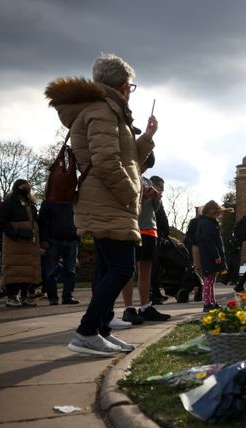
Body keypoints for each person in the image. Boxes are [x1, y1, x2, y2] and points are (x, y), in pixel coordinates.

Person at [46, 52, 157, 355]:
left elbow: (127, 157)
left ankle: (101, 330)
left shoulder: (107, 110)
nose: (130, 92)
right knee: (123, 269)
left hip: (106, 198)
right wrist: (129, 195)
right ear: (122, 86)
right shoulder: (103, 111)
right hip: (108, 199)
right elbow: (107, 162)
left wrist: (146, 137)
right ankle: (86, 330)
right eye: (131, 87)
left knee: (108, 268)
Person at [120, 175, 170, 324]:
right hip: (133, 227)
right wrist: (142, 195)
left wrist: (156, 198)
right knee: (129, 269)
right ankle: (128, 308)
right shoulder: (127, 174)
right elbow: (125, 200)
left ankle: (145, 306)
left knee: (146, 269)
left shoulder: (147, 180)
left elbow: (155, 208)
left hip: (150, 229)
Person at [0, 179, 42, 307]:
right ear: (17, 188)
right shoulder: (9, 203)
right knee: (13, 269)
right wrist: (15, 233)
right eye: (24, 188)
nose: (27, 190)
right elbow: (1, 221)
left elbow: (36, 222)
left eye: (28, 188)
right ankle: (11, 296)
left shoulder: (31, 205)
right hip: (14, 243)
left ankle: (24, 296)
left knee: (28, 269)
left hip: (29, 243)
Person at [38, 198, 79, 305]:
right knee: (51, 271)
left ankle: (67, 296)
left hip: (71, 239)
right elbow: (42, 222)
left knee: (70, 270)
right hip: (53, 240)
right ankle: (53, 298)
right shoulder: (48, 202)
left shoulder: (73, 201)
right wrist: (43, 239)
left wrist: (78, 236)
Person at [195, 200, 228, 311]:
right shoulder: (206, 224)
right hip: (209, 256)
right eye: (216, 213)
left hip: (210, 256)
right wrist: (216, 255)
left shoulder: (208, 222)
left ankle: (212, 302)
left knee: (211, 280)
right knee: (208, 281)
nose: (218, 215)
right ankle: (207, 303)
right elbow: (208, 241)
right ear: (211, 212)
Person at [150, 176, 169, 304]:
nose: (162, 191)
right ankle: (153, 294)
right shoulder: (152, 199)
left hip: (158, 235)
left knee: (156, 267)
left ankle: (155, 292)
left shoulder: (156, 199)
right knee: (152, 267)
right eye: (160, 187)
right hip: (151, 234)